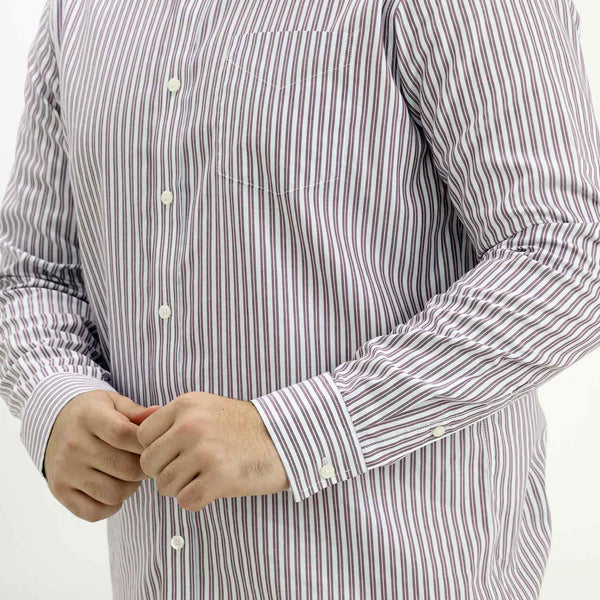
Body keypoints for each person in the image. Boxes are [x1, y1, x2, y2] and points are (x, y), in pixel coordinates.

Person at [1, 0, 599, 598]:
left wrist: (290, 434)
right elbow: (31, 272)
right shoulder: (80, 12)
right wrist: (55, 396)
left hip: (398, 571)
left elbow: (570, 256)